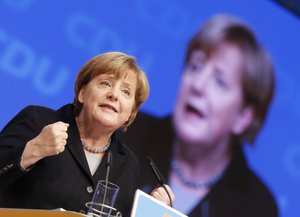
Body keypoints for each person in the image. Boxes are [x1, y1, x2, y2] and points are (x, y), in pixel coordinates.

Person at [119, 14, 278, 217]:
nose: (198, 85)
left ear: (243, 117)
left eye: (220, 81)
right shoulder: (126, 132)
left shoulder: (257, 207)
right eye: (196, 67)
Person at [0, 51, 174, 217]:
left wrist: (151, 211)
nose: (114, 95)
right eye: (105, 83)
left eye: (126, 92)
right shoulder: (38, 120)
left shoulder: (127, 164)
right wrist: (33, 150)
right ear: (82, 93)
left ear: (130, 114)